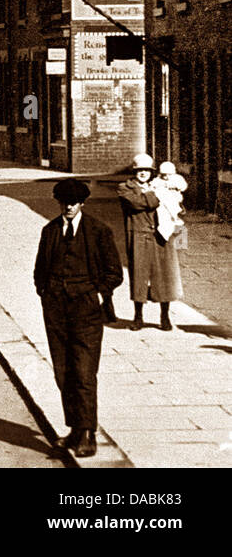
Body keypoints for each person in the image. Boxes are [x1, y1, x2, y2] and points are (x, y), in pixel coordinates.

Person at [34, 177, 123, 458]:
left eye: (74, 203)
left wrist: (97, 294)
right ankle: (74, 428)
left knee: (84, 371)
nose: (69, 207)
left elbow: (114, 272)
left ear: (82, 203)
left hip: (86, 310)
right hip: (56, 310)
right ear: (59, 203)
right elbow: (39, 270)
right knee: (63, 371)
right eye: (64, 203)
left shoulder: (98, 231)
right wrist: (46, 294)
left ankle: (88, 433)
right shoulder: (49, 231)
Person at [118, 153, 182, 332]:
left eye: (147, 170)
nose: (143, 173)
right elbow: (138, 203)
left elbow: (177, 202)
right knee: (139, 276)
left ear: (152, 171)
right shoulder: (124, 188)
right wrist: (157, 195)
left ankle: (165, 316)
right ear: (134, 171)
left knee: (164, 276)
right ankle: (138, 317)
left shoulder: (158, 185)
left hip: (161, 235)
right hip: (138, 235)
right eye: (139, 170)